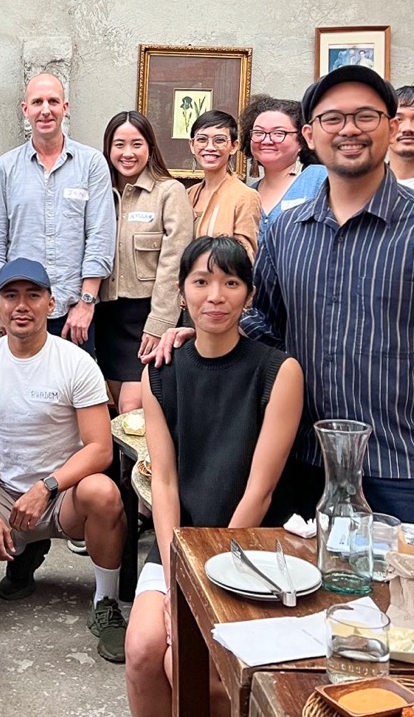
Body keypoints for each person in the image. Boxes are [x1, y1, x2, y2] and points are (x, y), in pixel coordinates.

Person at [234, 65, 414, 529]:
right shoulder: (287, 231)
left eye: (365, 116)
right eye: (333, 119)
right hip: (309, 464)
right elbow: (265, 324)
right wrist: (204, 332)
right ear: (310, 135)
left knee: (411, 602)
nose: (349, 129)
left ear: (391, 127)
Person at [125, 236, 302, 717]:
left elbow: (260, 491)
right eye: (201, 282)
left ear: (248, 294)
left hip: (247, 548)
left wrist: (206, 578)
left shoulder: (277, 370)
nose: (215, 296)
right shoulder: (161, 372)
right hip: (179, 547)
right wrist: (176, 568)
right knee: (142, 651)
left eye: (230, 282)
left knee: (195, 665)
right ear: (182, 292)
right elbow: (162, 481)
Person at [0, 258, 128, 663]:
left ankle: (106, 604)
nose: (22, 305)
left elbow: (100, 448)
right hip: (4, 492)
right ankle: (22, 556)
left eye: (33, 295)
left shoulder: (76, 363)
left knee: (104, 494)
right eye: (11, 295)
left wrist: (46, 486)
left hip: (62, 494)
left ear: (51, 303)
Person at [0, 73, 115, 355]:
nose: (45, 109)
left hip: (74, 313)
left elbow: (100, 236)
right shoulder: (4, 168)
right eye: (37, 102)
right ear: (25, 109)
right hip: (19, 312)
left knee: (72, 395)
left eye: (53, 101)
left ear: (65, 108)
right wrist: (1, 309)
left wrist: (86, 303)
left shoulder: (91, 164)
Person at [96, 111, 193, 412]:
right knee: (110, 407)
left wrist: (161, 322)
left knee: (133, 406)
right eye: (119, 144)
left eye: (136, 144)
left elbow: (174, 263)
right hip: (106, 317)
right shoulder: (98, 193)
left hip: (147, 316)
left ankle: (149, 462)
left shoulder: (169, 192)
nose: (127, 153)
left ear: (150, 147)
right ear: (108, 149)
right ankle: (122, 462)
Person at [239, 95, 327, 243]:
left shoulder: (320, 178)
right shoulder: (248, 193)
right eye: (259, 133)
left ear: (302, 140)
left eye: (279, 133)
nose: (266, 140)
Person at [185, 110, 262, 258]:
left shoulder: (245, 196)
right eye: (202, 139)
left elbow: (245, 258)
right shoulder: (187, 195)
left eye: (219, 140)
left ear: (234, 146)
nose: (210, 147)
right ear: (192, 145)